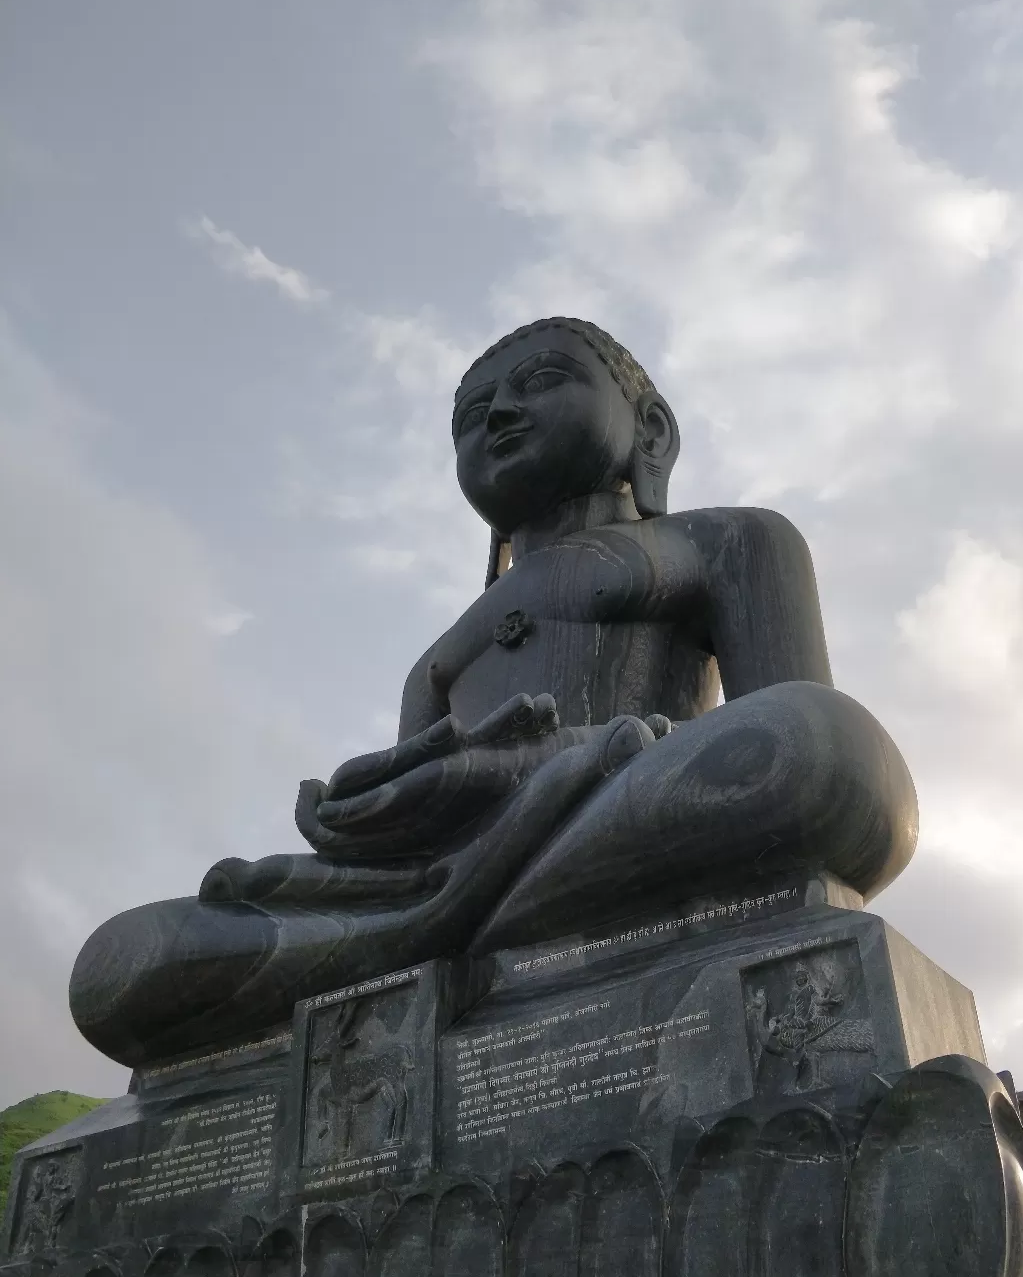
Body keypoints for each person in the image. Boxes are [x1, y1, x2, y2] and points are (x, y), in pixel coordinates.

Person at [70, 318, 917, 1068]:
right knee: (120, 965)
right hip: (445, 883)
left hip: (613, 815)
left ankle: (455, 941)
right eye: (474, 416)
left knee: (824, 747)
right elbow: (409, 827)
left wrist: (579, 756)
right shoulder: (439, 656)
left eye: (542, 382)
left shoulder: (728, 542)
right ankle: (446, 940)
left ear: (649, 433)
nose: (502, 414)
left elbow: (790, 735)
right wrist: (376, 806)